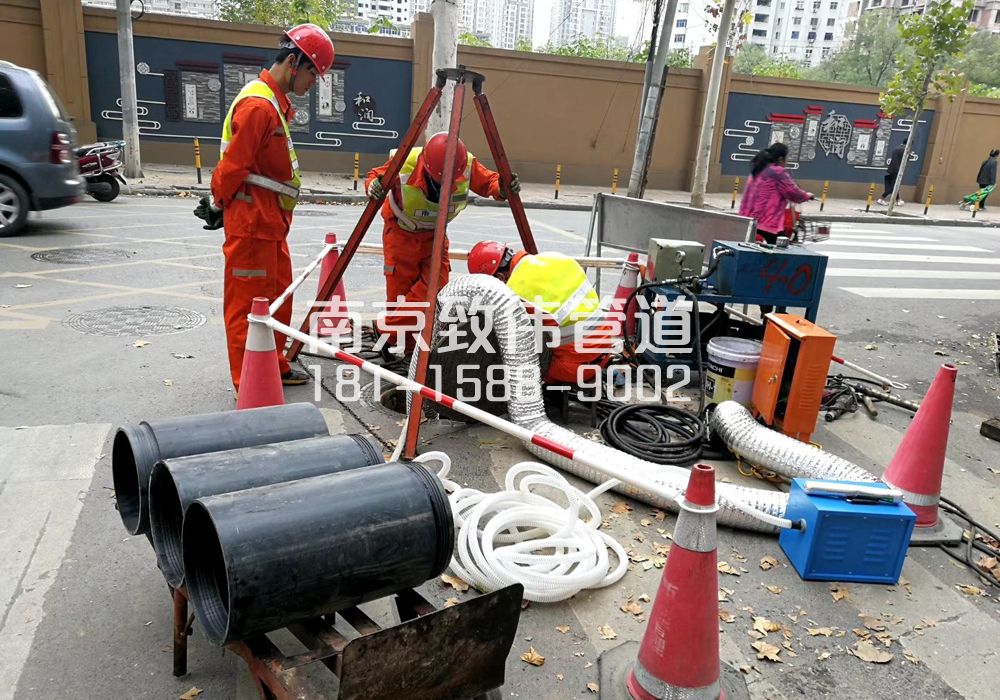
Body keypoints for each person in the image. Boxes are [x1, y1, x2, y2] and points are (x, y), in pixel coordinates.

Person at [195, 24, 334, 393]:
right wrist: (218, 203)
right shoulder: (258, 106)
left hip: (269, 222)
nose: (312, 85)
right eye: (312, 76)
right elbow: (233, 167)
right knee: (248, 307)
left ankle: (273, 364)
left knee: (276, 300)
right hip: (252, 222)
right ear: (293, 62)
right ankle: (251, 384)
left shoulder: (273, 103)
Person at [365, 134, 519, 355]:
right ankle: (411, 354)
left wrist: (503, 187)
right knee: (400, 295)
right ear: (426, 166)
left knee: (435, 291)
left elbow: (489, 182)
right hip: (401, 235)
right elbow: (375, 176)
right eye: (439, 180)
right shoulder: (407, 161)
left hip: (435, 237)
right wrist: (372, 186)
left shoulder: (464, 163)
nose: (444, 184)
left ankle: (385, 329)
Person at [467, 241, 616, 386]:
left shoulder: (514, 293)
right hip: (605, 347)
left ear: (500, 278)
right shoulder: (554, 257)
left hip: (574, 367)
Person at [738, 142, 812, 245]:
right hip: (766, 223)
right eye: (787, 159)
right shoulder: (778, 172)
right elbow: (793, 192)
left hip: (747, 221)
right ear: (781, 159)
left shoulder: (757, 169)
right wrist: (807, 195)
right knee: (782, 252)